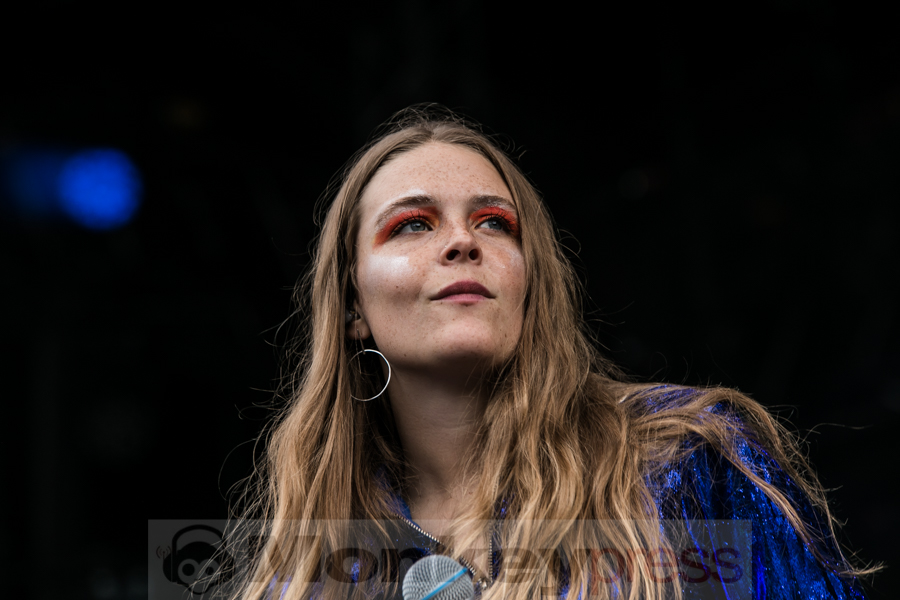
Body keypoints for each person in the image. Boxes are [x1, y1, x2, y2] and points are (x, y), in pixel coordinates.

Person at [231, 107, 874, 599]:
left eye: (494, 223)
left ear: (528, 285)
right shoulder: (308, 571)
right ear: (352, 309)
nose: (462, 241)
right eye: (413, 224)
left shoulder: (684, 466)